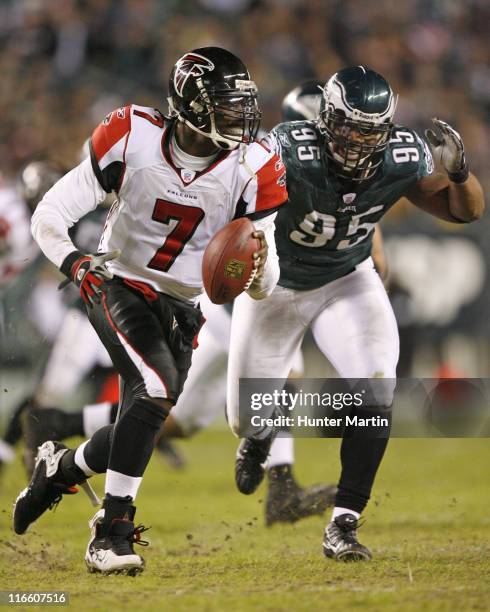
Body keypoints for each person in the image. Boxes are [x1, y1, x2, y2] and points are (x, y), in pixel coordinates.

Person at [12, 46, 288, 576]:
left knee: (150, 415)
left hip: (185, 304)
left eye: (241, 105)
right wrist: (75, 263)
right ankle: (110, 531)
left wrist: (257, 271)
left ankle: (60, 467)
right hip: (119, 281)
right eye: (226, 106)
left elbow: (262, 284)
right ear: (189, 105)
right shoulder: (131, 135)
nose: (240, 117)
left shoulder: (255, 165)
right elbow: (51, 212)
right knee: (155, 391)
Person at [227, 66, 484, 561]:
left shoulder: (402, 156)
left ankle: (343, 522)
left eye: (368, 129)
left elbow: (465, 211)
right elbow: (235, 204)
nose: (356, 140)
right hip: (275, 287)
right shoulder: (289, 149)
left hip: (347, 280)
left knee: (376, 385)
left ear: (385, 129)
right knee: (244, 417)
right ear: (325, 120)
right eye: (346, 126)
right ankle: (259, 438)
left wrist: (458, 174)